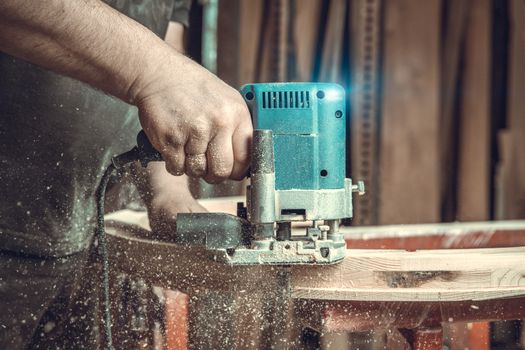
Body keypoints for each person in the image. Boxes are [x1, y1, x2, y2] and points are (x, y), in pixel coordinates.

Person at [0, 0, 253, 348]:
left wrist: (169, 192)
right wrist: (156, 72)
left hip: (89, 231)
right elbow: (162, 72)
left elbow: (167, 61)